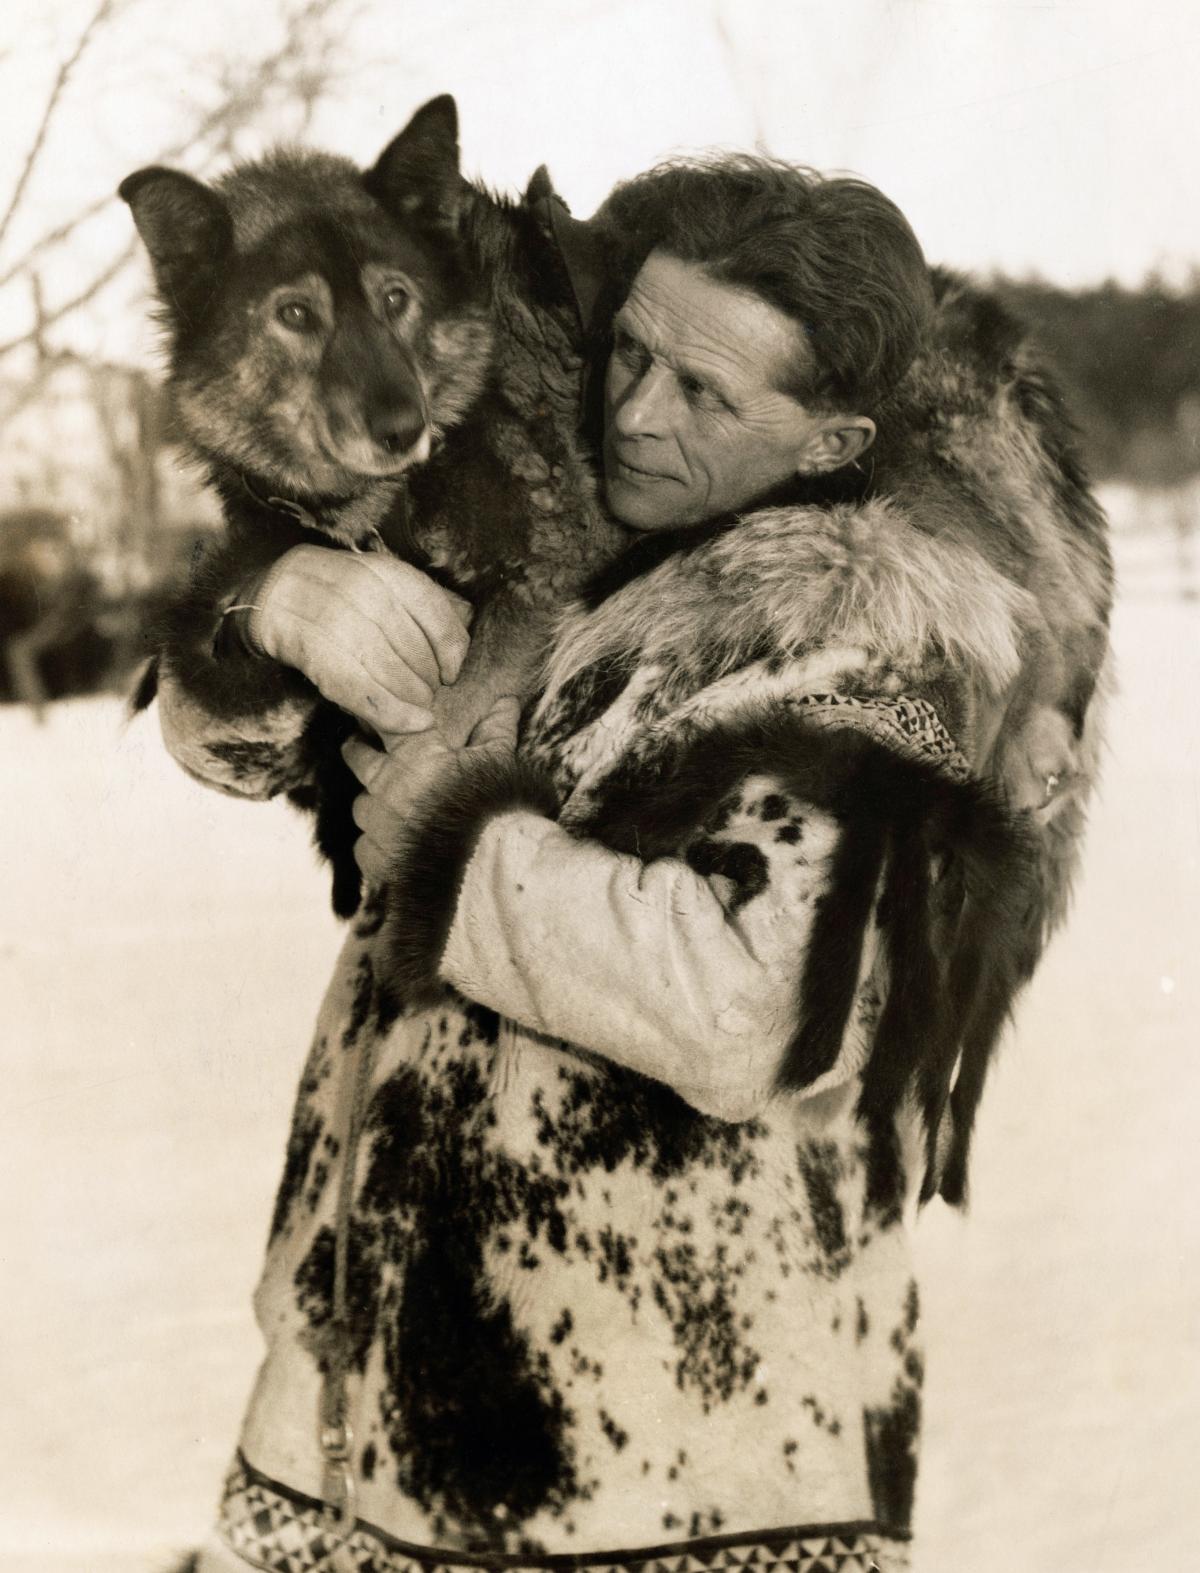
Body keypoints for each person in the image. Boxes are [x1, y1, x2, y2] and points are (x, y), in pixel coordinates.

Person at [160, 155, 1109, 1573]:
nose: (635, 412)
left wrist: (449, 850)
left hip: (668, 1460)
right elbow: (237, 748)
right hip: (385, 1405)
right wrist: (273, 603)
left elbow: (753, 1010)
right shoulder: (562, 533)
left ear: (834, 438)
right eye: (634, 354)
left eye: (705, 395)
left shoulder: (892, 652)